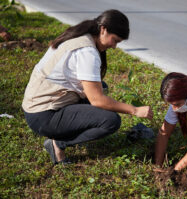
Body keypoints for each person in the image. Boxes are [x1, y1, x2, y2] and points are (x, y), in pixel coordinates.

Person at [22, 9, 153, 164]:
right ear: (103, 29)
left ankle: (62, 131)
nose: (114, 46)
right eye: (115, 40)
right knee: (110, 121)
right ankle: (58, 144)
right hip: (43, 115)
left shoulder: (79, 34)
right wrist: (135, 110)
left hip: (35, 106)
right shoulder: (87, 52)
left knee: (101, 87)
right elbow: (97, 100)